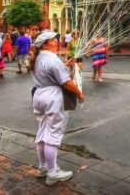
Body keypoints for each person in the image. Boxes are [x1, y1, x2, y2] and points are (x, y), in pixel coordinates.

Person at [30, 31, 84, 186]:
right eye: (54, 40)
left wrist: (65, 65)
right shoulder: (52, 59)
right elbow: (66, 82)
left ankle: (43, 167)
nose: (57, 42)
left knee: (42, 132)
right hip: (53, 97)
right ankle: (53, 173)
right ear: (45, 44)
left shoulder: (40, 57)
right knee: (53, 136)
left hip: (40, 95)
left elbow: (50, 72)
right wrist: (79, 93)